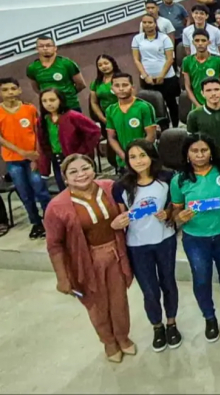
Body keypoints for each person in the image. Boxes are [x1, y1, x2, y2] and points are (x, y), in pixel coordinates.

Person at [44, 154, 136, 363]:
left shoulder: (109, 187)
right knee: (97, 304)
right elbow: (54, 245)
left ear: (93, 169)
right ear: (65, 178)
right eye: (73, 172)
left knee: (119, 300)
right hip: (86, 261)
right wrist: (62, 278)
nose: (81, 174)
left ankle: (123, 337)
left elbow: (127, 208)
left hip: (115, 254)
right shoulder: (57, 206)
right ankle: (109, 342)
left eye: (85, 168)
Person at [171, 133, 220, 342]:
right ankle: (209, 317)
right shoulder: (179, 179)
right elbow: (175, 211)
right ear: (187, 154)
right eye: (194, 151)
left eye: (204, 150)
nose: (200, 155)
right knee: (202, 278)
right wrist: (180, 216)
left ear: (211, 151)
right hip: (195, 239)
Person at [109, 140, 181, 352]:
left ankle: (171, 323)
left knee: (169, 283)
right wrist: (118, 222)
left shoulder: (167, 178)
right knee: (149, 290)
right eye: (133, 157)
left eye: (142, 155)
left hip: (165, 240)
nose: (138, 161)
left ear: (151, 156)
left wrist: (168, 213)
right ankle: (157, 326)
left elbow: (175, 205)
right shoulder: (121, 186)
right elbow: (120, 214)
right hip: (137, 245)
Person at [0, 77, 51, 238]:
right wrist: (21, 152)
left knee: (40, 189)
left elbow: (38, 133)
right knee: (25, 193)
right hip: (13, 160)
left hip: (33, 158)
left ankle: (51, 220)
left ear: (19, 90)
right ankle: (36, 223)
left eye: (13, 89)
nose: (10, 93)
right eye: (5, 90)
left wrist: (35, 156)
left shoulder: (29, 109)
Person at [36, 89, 101, 192]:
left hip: (74, 159)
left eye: (52, 100)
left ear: (60, 100)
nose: (48, 104)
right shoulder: (43, 120)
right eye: (45, 101)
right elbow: (43, 142)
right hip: (57, 159)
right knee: (64, 189)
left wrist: (82, 151)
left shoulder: (73, 116)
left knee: (82, 188)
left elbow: (94, 131)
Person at [132, 15, 179, 128]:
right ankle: (160, 128)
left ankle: (175, 127)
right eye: (144, 23)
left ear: (155, 24)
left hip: (166, 78)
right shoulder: (137, 39)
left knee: (171, 103)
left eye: (150, 22)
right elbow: (137, 60)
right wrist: (145, 76)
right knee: (153, 105)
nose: (147, 25)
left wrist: (161, 76)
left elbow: (170, 59)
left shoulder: (164, 38)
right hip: (147, 78)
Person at [104, 73, 157, 169]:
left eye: (125, 85)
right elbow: (111, 137)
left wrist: (136, 155)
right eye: (117, 86)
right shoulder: (110, 110)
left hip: (144, 158)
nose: (121, 89)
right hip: (123, 160)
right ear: (112, 89)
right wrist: (124, 156)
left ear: (132, 87)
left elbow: (151, 135)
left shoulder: (144, 107)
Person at [185, 78, 220, 163]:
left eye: (216, 89)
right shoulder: (194, 115)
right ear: (202, 93)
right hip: (206, 162)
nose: (213, 93)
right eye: (208, 90)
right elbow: (191, 143)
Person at [26, 36, 85, 112]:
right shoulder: (32, 68)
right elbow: (36, 88)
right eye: (41, 46)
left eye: (48, 45)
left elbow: (81, 84)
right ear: (37, 49)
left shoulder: (67, 63)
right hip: (48, 108)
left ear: (55, 48)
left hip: (70, 106)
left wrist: (68, 94)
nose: (45, 48)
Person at [182, 29, 220, 108]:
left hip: (217, 103)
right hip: (197, 104)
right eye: (197, 40)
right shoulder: (187, 61)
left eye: (203, 40)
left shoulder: (219, 60)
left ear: (209, 42)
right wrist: (197, 105)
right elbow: (188, 87)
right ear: (193, 42)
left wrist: (214, 104)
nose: (200, 43)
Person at [89, 54, 120, 128]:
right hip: (106, 117)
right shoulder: (96, 83)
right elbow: (94, 102)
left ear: (112, 63)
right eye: (100, 65)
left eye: (106, 63)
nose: (103, 66)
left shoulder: (122, 79)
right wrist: (102, 118)